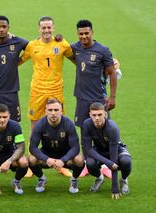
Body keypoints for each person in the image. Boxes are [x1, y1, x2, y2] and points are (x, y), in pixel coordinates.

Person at [19, 16, 75, 178]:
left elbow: (77, 59)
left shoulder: (62, 44)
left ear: (54, 28)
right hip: (37, 90)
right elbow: (17, 61)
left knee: (60, 127)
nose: (46, 30)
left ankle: (61, 164)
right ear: (39, 29)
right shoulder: (32, 46)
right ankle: (31, 163)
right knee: (34, 127)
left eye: (49, 27)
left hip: (56, 90)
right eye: (43, 28)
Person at [71, 20, 117, 178]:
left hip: (98, 98)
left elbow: (112, 72)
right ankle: (87, 164)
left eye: (86, 33)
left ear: (92, 32)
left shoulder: (102, 50)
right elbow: (65, 50)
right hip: (81, 98)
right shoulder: (75, 47)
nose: (83, 36)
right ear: (78, 34)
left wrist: (112, 96)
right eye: (81, 33)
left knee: (104, 131)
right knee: (85, 130)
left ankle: (107, 164)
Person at [29, 99, 84, 193]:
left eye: (56, 110)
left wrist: (63, 160)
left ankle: (74, 180)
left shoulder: (68, 124)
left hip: (65, 156)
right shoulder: (40, 124)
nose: (53, 113)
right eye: (50, 110)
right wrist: (46, 159)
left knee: (79, 160)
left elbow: (76, 148)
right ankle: (42, 179)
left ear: (61, 111)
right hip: (47, 155)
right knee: (31, 159)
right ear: (46, 111)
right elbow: (32, 147)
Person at [82, 102, 131, 199]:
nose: (97, 118)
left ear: (105, 114)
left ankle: (124, 180)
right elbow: (88, 149)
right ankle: (99, 178)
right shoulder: (86, 124)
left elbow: (114, 158)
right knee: (90, 163)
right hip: (100, 150)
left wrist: (114, 187)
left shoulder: (112, 128)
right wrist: (107, 162)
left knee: (126, 161)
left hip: (116, 149)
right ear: (90, 115)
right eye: (94, 115)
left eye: (99, 115)